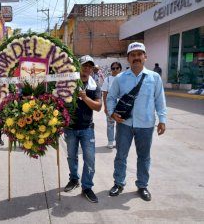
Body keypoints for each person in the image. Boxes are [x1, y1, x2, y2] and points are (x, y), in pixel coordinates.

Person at [106, 42, 167, 201]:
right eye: (133, 55)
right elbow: (111, 98)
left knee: (144, 157)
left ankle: (142, 185)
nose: (136, 58)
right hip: (124, 124)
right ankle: (119, 183)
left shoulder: (154, 77)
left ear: (145, 57)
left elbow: (160, 100)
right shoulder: (120, 78)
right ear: (128, 58)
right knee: (121, 155)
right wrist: (112, 113)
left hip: (146, 125)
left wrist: (162, 119)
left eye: (139, 54)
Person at [63, 55, 102, 203]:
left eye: (89, 66)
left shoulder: (94, 86)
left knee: (90, 159)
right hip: (70, 129)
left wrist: (85, 97)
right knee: (71, 156)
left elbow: (98, 107)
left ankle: (87, 187)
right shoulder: (69, 84)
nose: (86, 68)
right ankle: (74, 179)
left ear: (92, 69)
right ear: (78, 67)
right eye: (84, 65)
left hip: (87, 129)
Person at [101, 62, 122, 149]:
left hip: (121, 106)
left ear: (120, 69)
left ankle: (118, 141)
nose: (115, 70)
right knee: (110, 124)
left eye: (117, 68)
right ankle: (110, 141)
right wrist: (105, 107)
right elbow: (105, 94)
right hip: (111, 105)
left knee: (120, 125)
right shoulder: (108, 80)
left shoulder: (124, 79)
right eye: (113, 68)